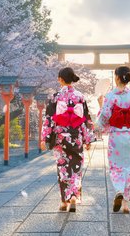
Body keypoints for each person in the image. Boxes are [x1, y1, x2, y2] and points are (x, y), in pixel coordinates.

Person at [97, 66, 130, 213]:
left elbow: (105, 116)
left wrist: (99, 125)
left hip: (116, 137)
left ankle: (119, 190)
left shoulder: (111, 96)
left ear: (117, 78)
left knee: (116, 167)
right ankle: (125, 204)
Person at [41, 67, 94, 212]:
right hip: (76, 136)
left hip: (60, 137)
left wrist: (45, 137)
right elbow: (85, 118)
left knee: (63, 167)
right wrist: (88, 138)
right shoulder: (80, 96)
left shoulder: (55, 97)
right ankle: (74, 197)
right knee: (76, 167)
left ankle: (64, 201)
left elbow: (49, 119)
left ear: (60, 79)